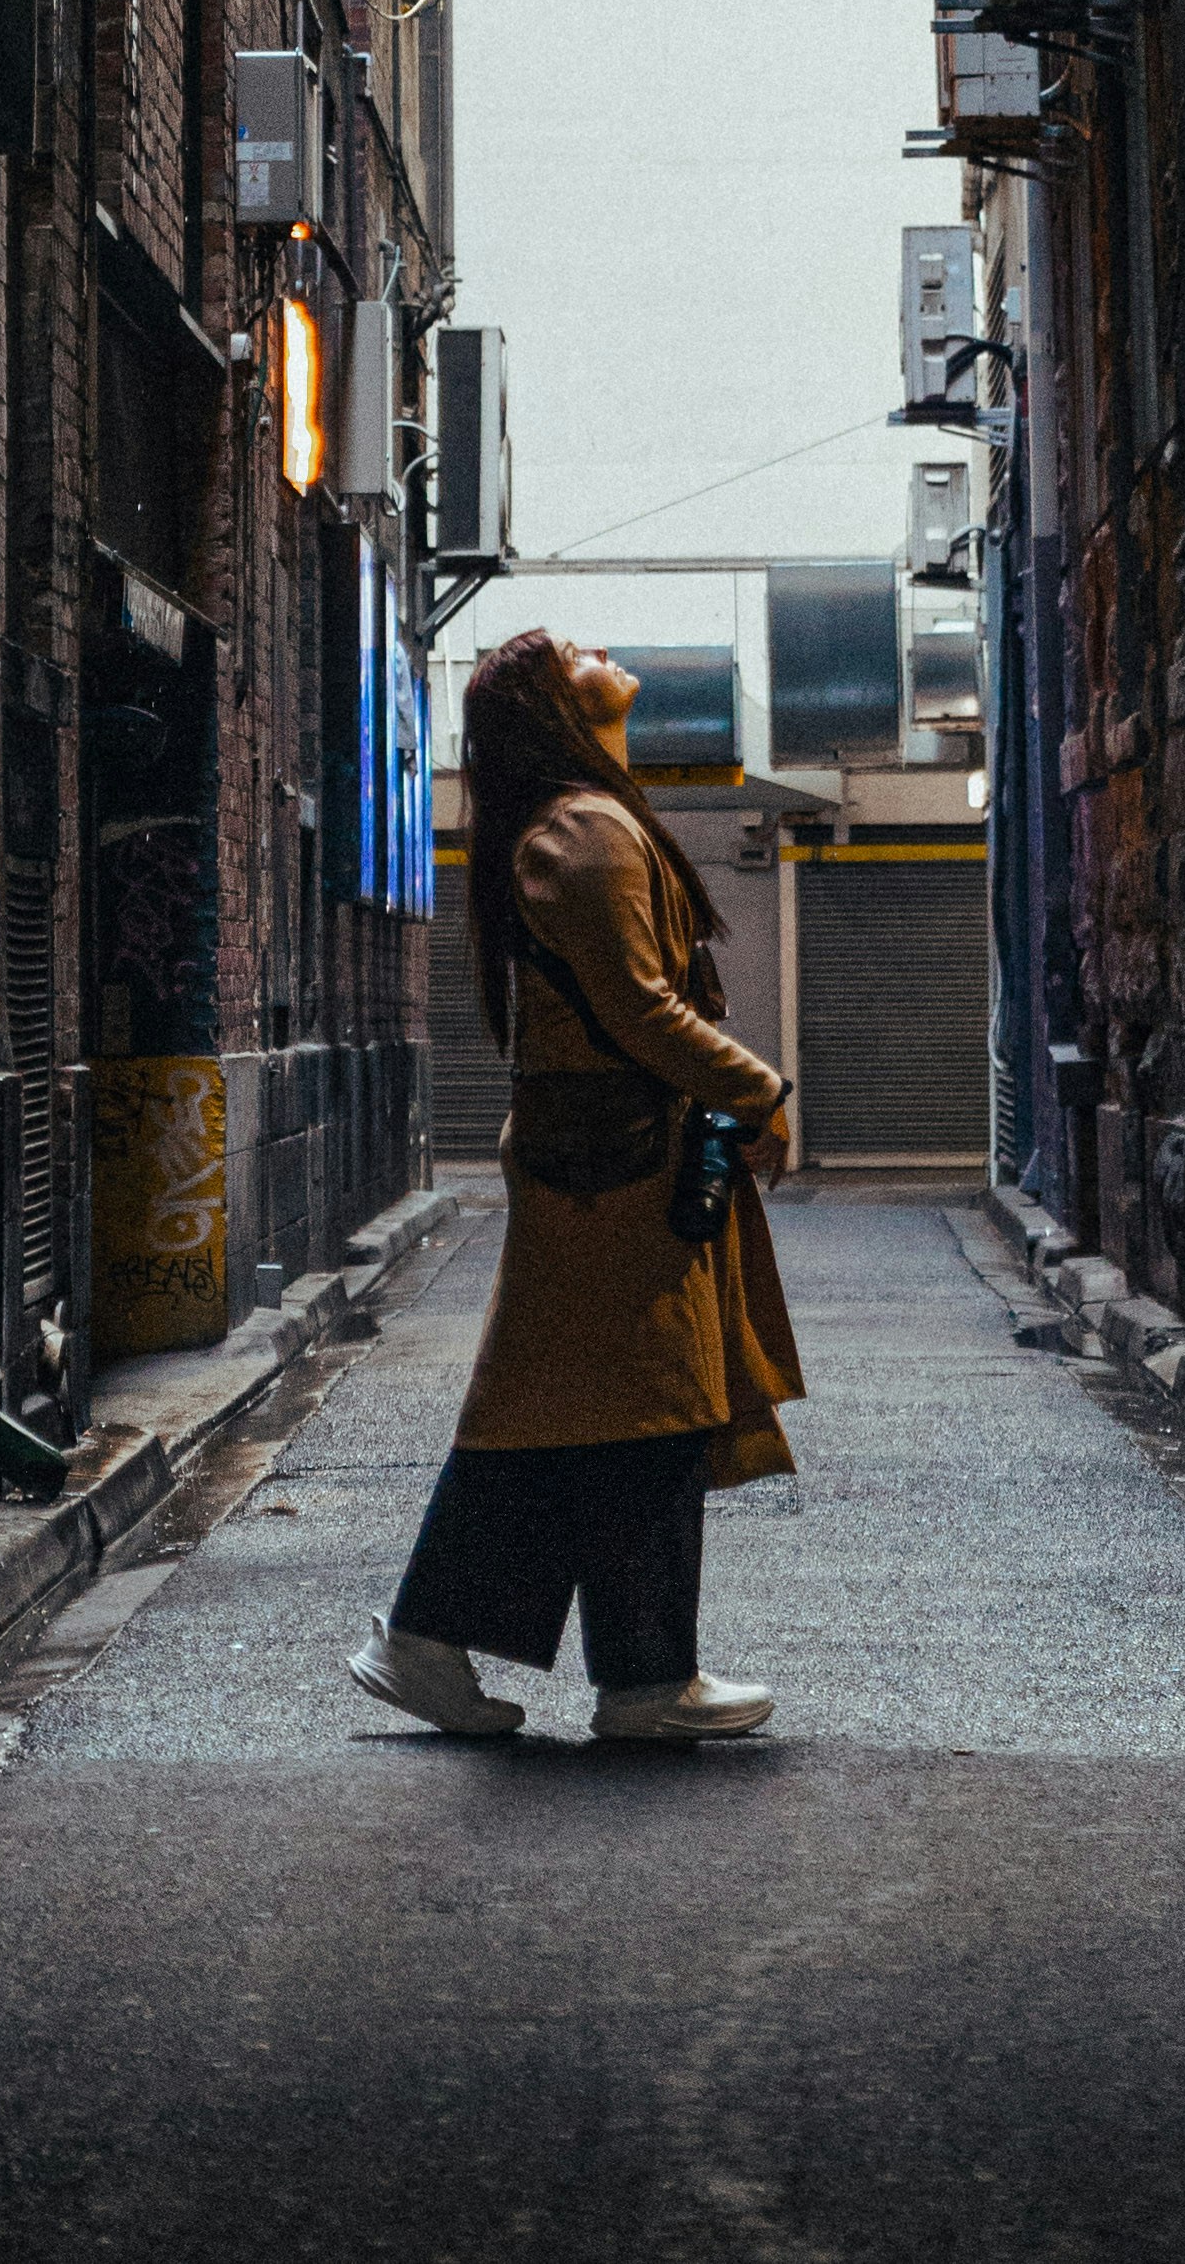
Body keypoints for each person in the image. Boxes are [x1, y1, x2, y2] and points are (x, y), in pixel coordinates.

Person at [353, 626, 804, 1743]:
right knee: (639, 1401)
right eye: (569, 649)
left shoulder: (574, 823)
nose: (594, 645)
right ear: (558, 704)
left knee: (592, 1404)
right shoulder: (586, 830)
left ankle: (535, 1658)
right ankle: (635, 1679)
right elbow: (641, 1008)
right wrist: (762, 1091)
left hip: (600, 1155)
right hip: (610, 1164)